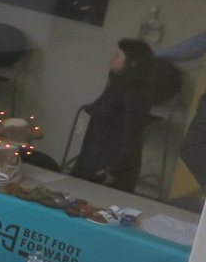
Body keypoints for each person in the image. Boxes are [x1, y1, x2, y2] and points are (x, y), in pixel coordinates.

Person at [70, 39, 178, 191]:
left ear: (132, 63)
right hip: (92, 157)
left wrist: (113, 170)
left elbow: (132, 137)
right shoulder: (118, 84)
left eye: (117, 55)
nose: (111, 58)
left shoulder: (134, 94)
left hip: (107, 167)